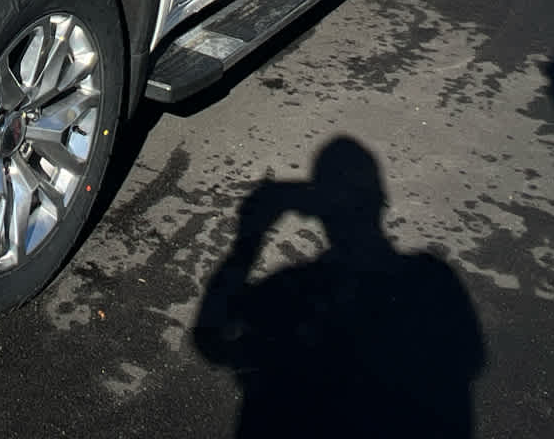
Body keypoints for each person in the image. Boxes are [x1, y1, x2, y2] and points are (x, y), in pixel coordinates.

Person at [194, 137, 486, 438]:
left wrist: (249, 235)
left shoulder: (289, 291)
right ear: (380, 201)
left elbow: (211, 340)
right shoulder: (434, 279)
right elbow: (472, 359)